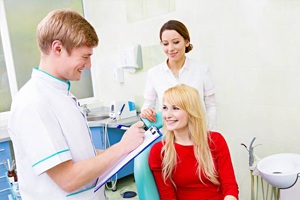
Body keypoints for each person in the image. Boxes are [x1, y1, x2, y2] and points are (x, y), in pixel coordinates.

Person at [7, 9, 145, 200]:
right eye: (85, 56)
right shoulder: (33, 102)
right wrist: (121, 147)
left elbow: (79, 154)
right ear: (58, 49)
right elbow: (68, 178)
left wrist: (129, 148)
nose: (88, 65)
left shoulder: (61, 94)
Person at [149, 84, 239, 200]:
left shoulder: (215, 140)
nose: (167, 115)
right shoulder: (160, 151)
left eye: (175, 108)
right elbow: (167, 196)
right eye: (165, 108)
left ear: (191, 112)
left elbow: (229, 185)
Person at [140, 20, 217, 130]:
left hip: (197, 134)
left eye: (176, 42)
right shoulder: (154, 73)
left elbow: (211, 105)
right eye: (165, 44)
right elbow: (148, 105)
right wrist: (146, 112)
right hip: (168, 137)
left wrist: (211, 133)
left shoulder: (201, 69)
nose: (170, 48)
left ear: (186, 42)